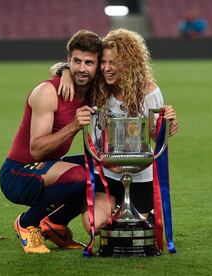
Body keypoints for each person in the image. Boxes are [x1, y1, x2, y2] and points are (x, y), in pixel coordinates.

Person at [53, 29, 179, 234]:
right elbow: (56, 67)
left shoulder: (148, 91)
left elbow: (156, 136)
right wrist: (66, 72)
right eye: (103, 62)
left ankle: (144, 213)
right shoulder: (96, 86)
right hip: (105, 171)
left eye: (113, 62)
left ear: (129, 62)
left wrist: (168, 125)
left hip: (138, 173)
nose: (106, 68)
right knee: (95, 226)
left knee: (132, 230)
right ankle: (111, 210)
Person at [0, 30, 103, 254]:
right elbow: (36, 150)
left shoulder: (92, 91)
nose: (82, 68)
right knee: (79, 176)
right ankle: (27, 224)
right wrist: (74, 125)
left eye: (88, 62)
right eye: (76, 61)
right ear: (68, 61)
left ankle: (55, 224)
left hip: (50, 168)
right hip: (18, 174)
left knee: (103, 169)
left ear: (98, 66)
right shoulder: (48, 91)